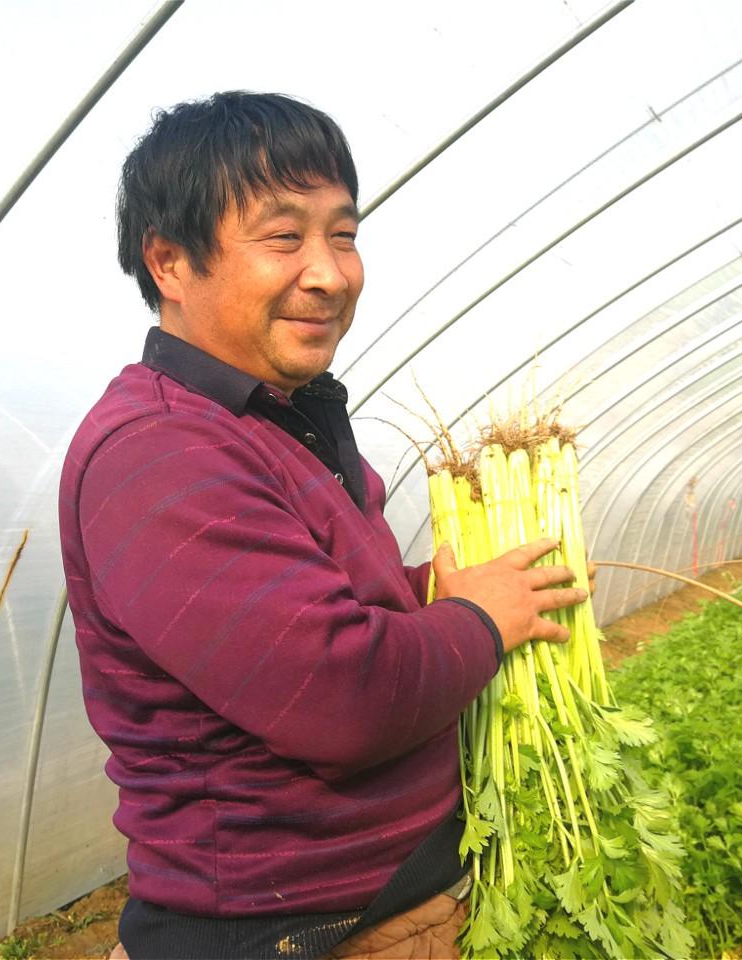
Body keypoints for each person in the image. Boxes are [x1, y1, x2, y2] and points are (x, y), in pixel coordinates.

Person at [58, 91, 589, 960]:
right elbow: (342, 698)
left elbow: (313, 612)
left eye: (343, 235)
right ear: (169, 261)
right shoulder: (159, 455)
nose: (330, 272)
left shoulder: (271, 423)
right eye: (283, 237)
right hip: (299, 932)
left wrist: (436, 591)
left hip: (369, 910)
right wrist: (483, 619)